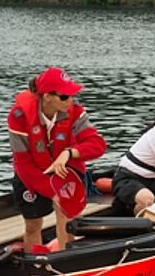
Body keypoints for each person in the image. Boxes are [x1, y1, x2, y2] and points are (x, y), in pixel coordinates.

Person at [8, 67, 107, 252]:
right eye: (64, 97)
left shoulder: (75, 113)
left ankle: (63, 261)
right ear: (47, 97)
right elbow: (22, 164)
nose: (70, 101)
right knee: (32, 224)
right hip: (33, 171)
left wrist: (69, 153)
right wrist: (52, 192)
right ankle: (36, 265)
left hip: (65, 169)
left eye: (72, 95)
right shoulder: (18, 116)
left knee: (66, 215)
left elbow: (98, 144)